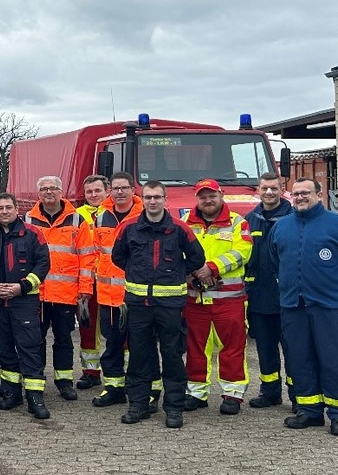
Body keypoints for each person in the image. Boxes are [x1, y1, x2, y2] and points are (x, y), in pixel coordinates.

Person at [271, 178, 338, 437]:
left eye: (306, 193)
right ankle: (309, 411)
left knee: (334, 360)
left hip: (331, 306)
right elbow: (275, 260)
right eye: (296, 193)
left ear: (319, 194)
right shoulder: (281, 227)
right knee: (299, 359)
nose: (300, 197)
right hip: (293, 305)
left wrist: (333, 282)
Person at [112, 180, 205, 428]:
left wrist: (176, 272)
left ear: (166, 200)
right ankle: (139, 405)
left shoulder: (179, 228)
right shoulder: (129, 228)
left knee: (172, 355)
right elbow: (117, 257)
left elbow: (197, 258)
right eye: (148, 197)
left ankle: (174, 408)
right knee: (139, 356)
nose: (152, 201)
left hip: (171, 304)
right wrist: (136, 271)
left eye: (157, 197)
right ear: (142, 200)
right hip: (138, 304)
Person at [0, 193, 52, 419]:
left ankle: (35, 398)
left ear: (17, 209)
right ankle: (12, 393)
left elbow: (43, 264)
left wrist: (23, 286)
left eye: (9, 207)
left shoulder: (33, 233)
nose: (4, 211)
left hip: (24, 300)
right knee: (3, 347)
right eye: (0, 208)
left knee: (30, 347)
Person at [182, 179, 253, 415]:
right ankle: (196, 392)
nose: (207, 200)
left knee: (232, 347)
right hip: (195, 298)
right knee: (195, 348)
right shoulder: (184, 223)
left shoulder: (237, 222)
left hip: (228, 299)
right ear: (197, 199)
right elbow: (175, 251)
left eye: (212, 195)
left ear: (221, 195)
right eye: (203, 196)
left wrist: (212, 268)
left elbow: (242, 252)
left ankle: (232, 394)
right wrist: (190, 273)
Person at [22, 175, 96, 402]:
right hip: (38, 293)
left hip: (66, 293)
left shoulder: (77, 220)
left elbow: (87, 257)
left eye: (53, 188)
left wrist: (85, 289)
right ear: (38, 194)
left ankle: (64, 382)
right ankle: (37, 381)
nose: (48, 193)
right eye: (44, 189)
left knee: (64, 340)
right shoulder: (28, 219)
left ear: (61, 192)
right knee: (37, 339)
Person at [89, 172, 146, 407]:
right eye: (116, 188)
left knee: (139, 344)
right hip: (108, 295)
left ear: (134, 190)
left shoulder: (145, 215)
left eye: (125, 187)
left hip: (137, 294)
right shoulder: (101, 216)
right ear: (110, 190)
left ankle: (138, 386)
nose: (120, 192)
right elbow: (94, 250)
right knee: (112, 344)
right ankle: (113, 387)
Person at [245, 172, 294, 409]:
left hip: (287, 297)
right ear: (258, 189)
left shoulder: (293, 217)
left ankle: (299, 395)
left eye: (274, 188)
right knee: (265, 349)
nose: (269, 193)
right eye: (265, 188)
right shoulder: (249, 219)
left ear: (282, 189)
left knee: (294, 351)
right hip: (258, 296)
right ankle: (270, 392)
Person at [74, 174, 109, 391]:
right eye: (89, 192)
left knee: (118, 329)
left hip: (112, 281)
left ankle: (120, 373)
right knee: (87, 328)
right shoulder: (76, 216)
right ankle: (90, 372)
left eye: (98, 191)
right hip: (86, 281)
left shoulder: (114, 214)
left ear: (107, 192)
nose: (94, 195)